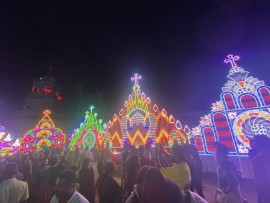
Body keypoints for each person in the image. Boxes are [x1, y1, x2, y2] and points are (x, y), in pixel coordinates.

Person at [249, 135, 270, 203]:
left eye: (254, 141)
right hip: (260, 180)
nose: (252, 143)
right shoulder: (253, 152)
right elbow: (253, 160)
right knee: (261, 196)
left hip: (265, 179)